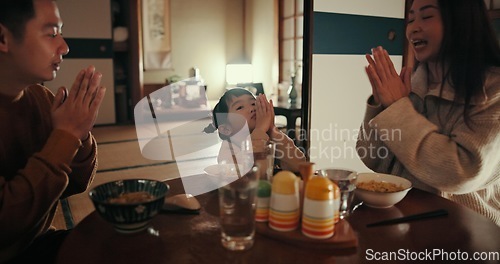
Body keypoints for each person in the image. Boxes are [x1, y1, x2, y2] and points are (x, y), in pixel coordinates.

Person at [357, 0, 500, 226]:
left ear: (460, 22)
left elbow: (460, 173)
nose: (413, 28)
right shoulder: (414, 84)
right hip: (404, 220)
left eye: (427, 16)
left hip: (468, 233)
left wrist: (396, 107)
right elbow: (373, 159)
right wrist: (382, 104)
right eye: (411, 18)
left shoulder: (493, 89)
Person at [0, 0, 107, 262]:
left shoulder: (41, 98)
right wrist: (66, 135)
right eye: (51, 33)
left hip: (34, 243)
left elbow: (76, 184)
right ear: (3, 38)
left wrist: (79, 134)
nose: (64, 46)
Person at [204, 88, 305, 172]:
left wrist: (273, 131)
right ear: (226, 129)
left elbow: (300, 165)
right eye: (240, 107)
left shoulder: (269, 140)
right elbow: (246, 175)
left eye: (253, 104)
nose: (252, 109)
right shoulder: (228, 151)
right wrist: (260, 130)